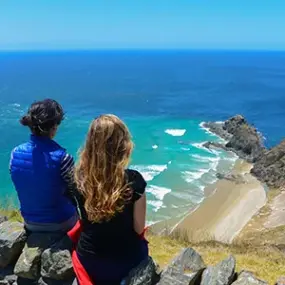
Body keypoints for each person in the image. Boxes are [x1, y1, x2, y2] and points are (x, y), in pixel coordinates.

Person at [72, 114, 148, 285]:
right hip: (125, 258)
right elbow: (138, 229)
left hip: (89, 258)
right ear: (123, 146)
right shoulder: (134, 180)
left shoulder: (78, 179)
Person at [10, 99, 77, 232]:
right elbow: (75, 192)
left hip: (30, 221)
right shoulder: (63, 158)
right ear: (54, 127)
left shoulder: (15, 153)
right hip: (61, 221)